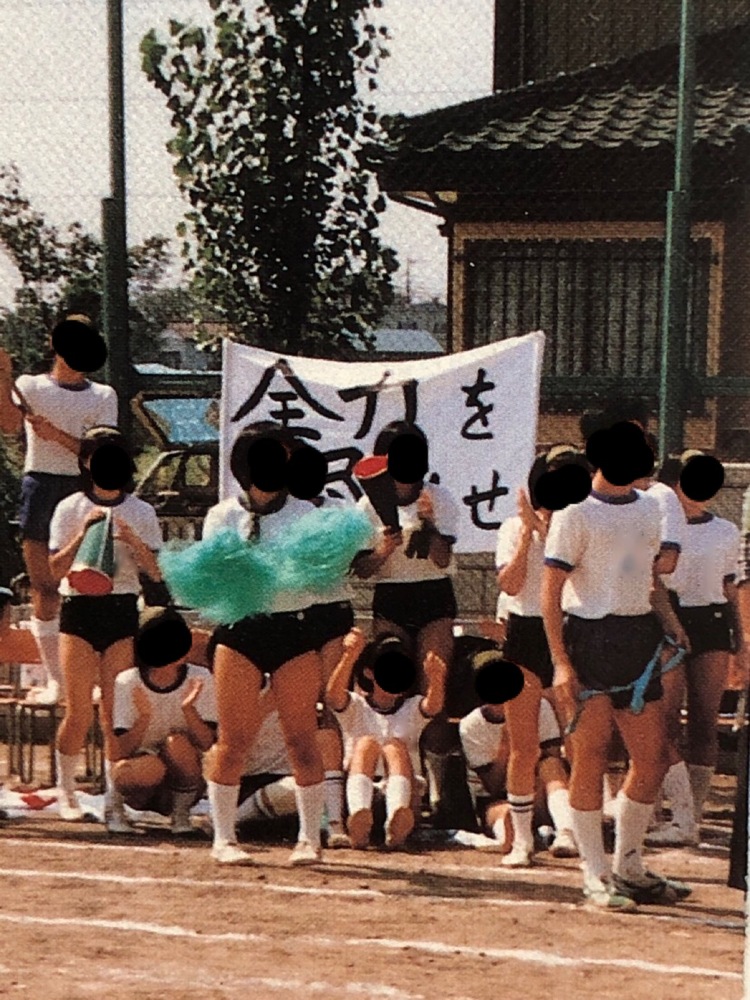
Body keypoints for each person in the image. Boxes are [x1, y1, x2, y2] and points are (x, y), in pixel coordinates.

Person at [541, 422, 691, 911]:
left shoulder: (650, 508)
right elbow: (550, 593)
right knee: (591, 756)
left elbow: (648, 578)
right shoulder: (573, 513)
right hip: (588, 639)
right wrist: (561, 663)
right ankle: (595, 874)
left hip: (638, 637)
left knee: (653, 757)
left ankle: (629, 866)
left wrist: (670, 622)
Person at [201, 422, 331, 866]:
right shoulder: (221, 516)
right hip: (240, 631)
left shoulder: (307, 513)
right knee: (234, 739)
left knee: (302, 739)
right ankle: (224, 838)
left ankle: (309, 839)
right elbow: (214, 580)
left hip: (294, 629)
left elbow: (318, 579)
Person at [49, 426, 164, 829]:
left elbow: (156, 572)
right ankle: (66, 792)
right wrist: (84, 533)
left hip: (121, 610)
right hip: (79, 610)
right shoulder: (70, 507)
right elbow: (54, 569)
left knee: (115, 713)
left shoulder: (142, 511)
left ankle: (114, 801)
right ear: (86, 462)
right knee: (79, 709)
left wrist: (133, 541)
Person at [0, 317, 117, 704]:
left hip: (85, 490)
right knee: (44, 586)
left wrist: (59, 437)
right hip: (40, 486)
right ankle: (58, 682)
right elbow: (9, 425)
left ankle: (95, 681)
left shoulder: (104, 395)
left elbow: (103, 453)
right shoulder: (30, 385)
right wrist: (3, 377)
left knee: (90, 586)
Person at [493, 446, 582, 867]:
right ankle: (522, 840)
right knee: (523, 745)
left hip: (569, 630)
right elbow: (511, 585)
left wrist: (546, 530)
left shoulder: (580, 525)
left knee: (577, 741)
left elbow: (575, 577)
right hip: (525, 633)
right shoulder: (512, 527)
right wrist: (528, 531)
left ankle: (574, 829)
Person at [648, 452, 741, 845]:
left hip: (712, 623)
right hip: (667, 618)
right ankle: (652, 808)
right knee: (663, 720)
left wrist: (741, 641)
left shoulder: (725, 530)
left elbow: (729, 588)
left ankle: (692, 815)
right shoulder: (655, 522)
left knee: (704, 721)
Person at [325, 628, 446, 850]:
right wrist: (349, 657)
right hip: (362, 792)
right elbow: (333, 697)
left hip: (405, 796)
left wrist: (436, 678)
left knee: (394, 747)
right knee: (366, 744)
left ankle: (396, 822)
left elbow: (433, 706)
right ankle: (359, 818)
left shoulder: (412, 707)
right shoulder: (356, 706)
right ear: (370, 673)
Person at [459, 651, 577, 858]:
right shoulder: (471, 725)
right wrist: (507, 745)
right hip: (500, 799)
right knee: (503, 816)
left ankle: (566, 833)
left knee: (551, 766)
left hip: (539, 791)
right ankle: (513, 840)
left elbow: (552, 758)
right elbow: (493, 785)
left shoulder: (540, 707)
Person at [111, 607, 217, 835]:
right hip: (142, 786)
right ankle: (115, 812)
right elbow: (120, 750)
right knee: (145, 768)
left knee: (177, 743)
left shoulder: (201, 678)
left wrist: (188, 709)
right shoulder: (127, 681)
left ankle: (180, 815)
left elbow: (207, 742)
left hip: (186, 780)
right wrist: (144, 717)